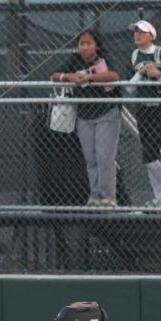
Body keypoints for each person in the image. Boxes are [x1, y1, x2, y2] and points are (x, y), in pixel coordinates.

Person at [51, 29, 122, 207]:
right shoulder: (75, 59)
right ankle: (95, 196)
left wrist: (90, 77)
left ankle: (109, 198)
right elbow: (54, 75)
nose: (84, 47)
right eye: (81, 43)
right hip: (84, 116)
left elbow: (115, 75)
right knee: (91, 158)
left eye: (89, 43)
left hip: (106, 113)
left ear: (96, 45)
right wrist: (69, 76)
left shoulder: (104, 57)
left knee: (104, 157)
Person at [127, 20, 161, 208]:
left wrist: (158, 74)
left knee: (150, 150)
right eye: (135, 31)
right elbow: (129, 88)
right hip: (144, 108)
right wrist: (141, 73)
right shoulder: (135, 55)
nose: (137, 35)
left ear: (151, 35)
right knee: (148, 153)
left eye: (142, 31)